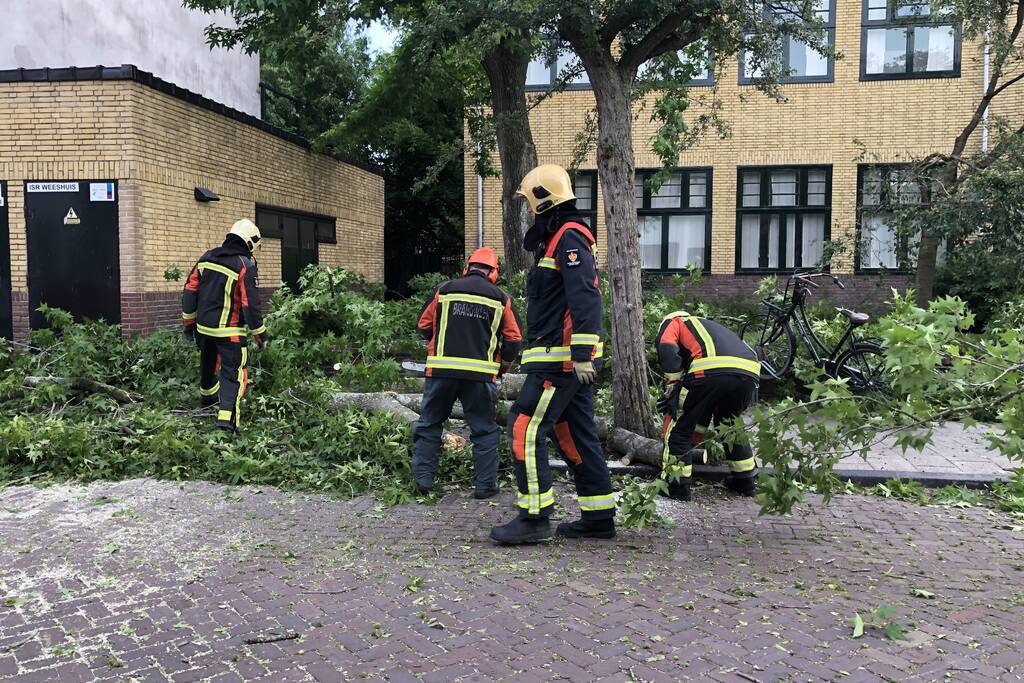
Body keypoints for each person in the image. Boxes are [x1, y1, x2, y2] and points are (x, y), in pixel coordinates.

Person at [489, 164, 616, 545]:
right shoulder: (559, 238)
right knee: (575, 435)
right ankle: (598, 517)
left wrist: (580, 352)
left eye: (530, 202)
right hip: (561, 360)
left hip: (561, 361)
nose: (528, 210)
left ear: (543, 200)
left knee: (524, 428)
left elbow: (586, 295)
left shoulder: (569, 237)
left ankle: (534, 517)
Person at [414, 247, 522, 499]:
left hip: (441, 371)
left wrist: (438, 340)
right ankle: (485, 487)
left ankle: (423, 481)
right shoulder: (501, 298)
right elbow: (514, 340)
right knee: (484, 430)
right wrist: (503, 365)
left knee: (429, 424)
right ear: (494, 272)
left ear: (468, 267)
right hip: (481, 376)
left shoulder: (444, 290)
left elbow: (423, 325)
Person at [654, 310, 761, 500]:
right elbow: (701, 412)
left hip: (710, 370)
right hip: (748, 375)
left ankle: (676, 485)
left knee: (679, 427)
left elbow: (667, 348)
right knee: (730, 424)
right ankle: (745, 481)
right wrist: (693, 441)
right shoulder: (708, 327)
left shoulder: (675, 321)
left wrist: (672, 386)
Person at [181, 218, 267, 433]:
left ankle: (207, 404)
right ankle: (227, 423)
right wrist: (260, 335)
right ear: (250, 242)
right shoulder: (244, 265)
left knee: (208, 364)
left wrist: (188, 324)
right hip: (230, 333)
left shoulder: (207, 257)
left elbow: (190, 291)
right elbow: (251, 305)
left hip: (204, 329)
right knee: (233, 373)